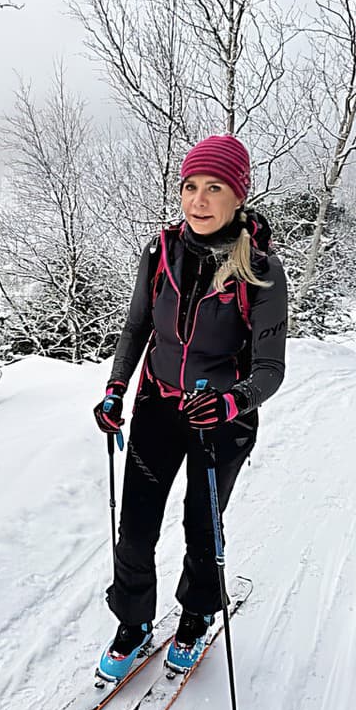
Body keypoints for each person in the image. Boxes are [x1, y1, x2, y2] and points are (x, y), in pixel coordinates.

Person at [92, 134, 288, 679]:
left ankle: (198, 614)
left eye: (214, 188)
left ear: (237, 197)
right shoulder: (159, 252)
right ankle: (133, 622)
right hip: (158, 406)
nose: (197, 200)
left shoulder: (262, 271)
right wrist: (115, 388)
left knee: (203, 526)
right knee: (135, 525)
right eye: (190, 187)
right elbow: (135, 329)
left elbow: (270, 369)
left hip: (221, 419)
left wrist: (233, 401)